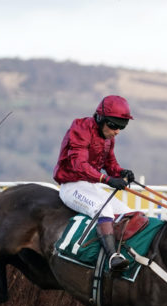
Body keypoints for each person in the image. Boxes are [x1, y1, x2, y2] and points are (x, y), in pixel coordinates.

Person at [53, 95, 136, 272]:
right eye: (114, 126)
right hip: (71, 185)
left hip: (92, 185)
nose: (117, 131)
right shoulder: (80, 128)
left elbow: (111, 164)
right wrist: (107, 179)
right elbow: (79, 165)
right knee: (103, 209)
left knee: (128, 212)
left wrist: (122, 172)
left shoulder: (108, 138)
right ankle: (112, 258)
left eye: (122, 127)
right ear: (100, 119)